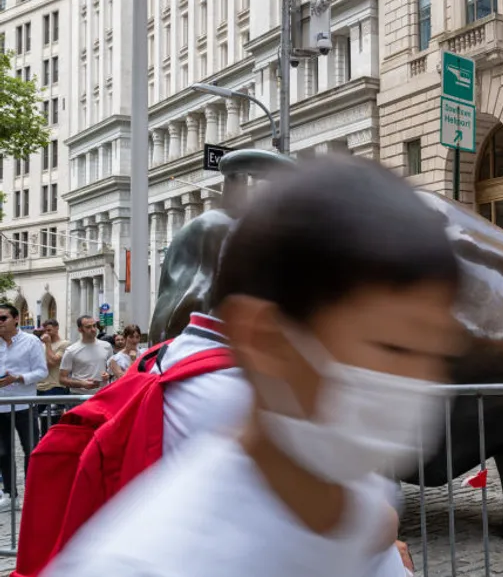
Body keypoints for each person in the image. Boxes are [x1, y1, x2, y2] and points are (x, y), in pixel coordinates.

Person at [44, 157, 455, 577]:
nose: (420, 380)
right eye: (391, 347)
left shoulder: (356, 499)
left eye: (437, 352)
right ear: (265, 341)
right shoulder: (139, 564)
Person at [0, 302, 49, 510]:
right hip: (1, 406)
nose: (0, 323)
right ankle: (10, 494)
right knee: (3, 452)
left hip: (24, 405)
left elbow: (41, 372)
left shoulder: (31, 342)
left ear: (16, 319)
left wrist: (18, 378)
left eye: (3, 318)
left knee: (31, 449)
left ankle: (33, 492)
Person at [58, 316, 114, 394]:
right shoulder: (71, 350)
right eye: (88, 327)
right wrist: (81, 384)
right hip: (79, 396)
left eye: (94, 326)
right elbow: (62, 379)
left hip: (102, 394)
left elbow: (112, 370)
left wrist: (108, 375)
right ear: (80, 330)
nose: (93, 329)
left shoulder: (107, 346)